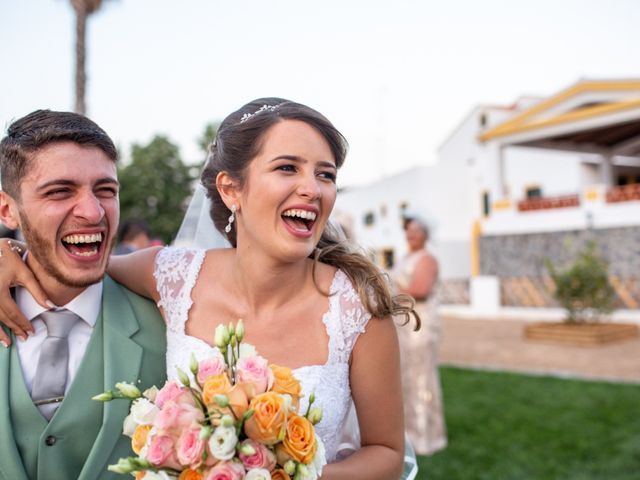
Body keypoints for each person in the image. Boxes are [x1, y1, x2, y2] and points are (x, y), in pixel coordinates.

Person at [0, 99, 415, 478]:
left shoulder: (355, 307)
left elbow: (387, 452)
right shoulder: (174, 278)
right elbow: (79, 259)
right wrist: (9, 252)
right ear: (230, 188)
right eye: (288, 168)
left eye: (325, 174)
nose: (312, 188)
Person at [0, 110, 167, 480]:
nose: (93, 212)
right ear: (8, 209)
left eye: (105, 190)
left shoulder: (171, 326)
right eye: (60, 191)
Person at [390, 216, 448, 455]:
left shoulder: (428, 260)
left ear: (425, 234)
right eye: (408, 231)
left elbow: (421, 291)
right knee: (404, 378)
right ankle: (407, 432)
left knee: (421, 378)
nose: (410, 235)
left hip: (420, 327)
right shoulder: (405, 258)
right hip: (403, 326)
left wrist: (388, 291)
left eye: (415, 231)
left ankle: (426, 436)